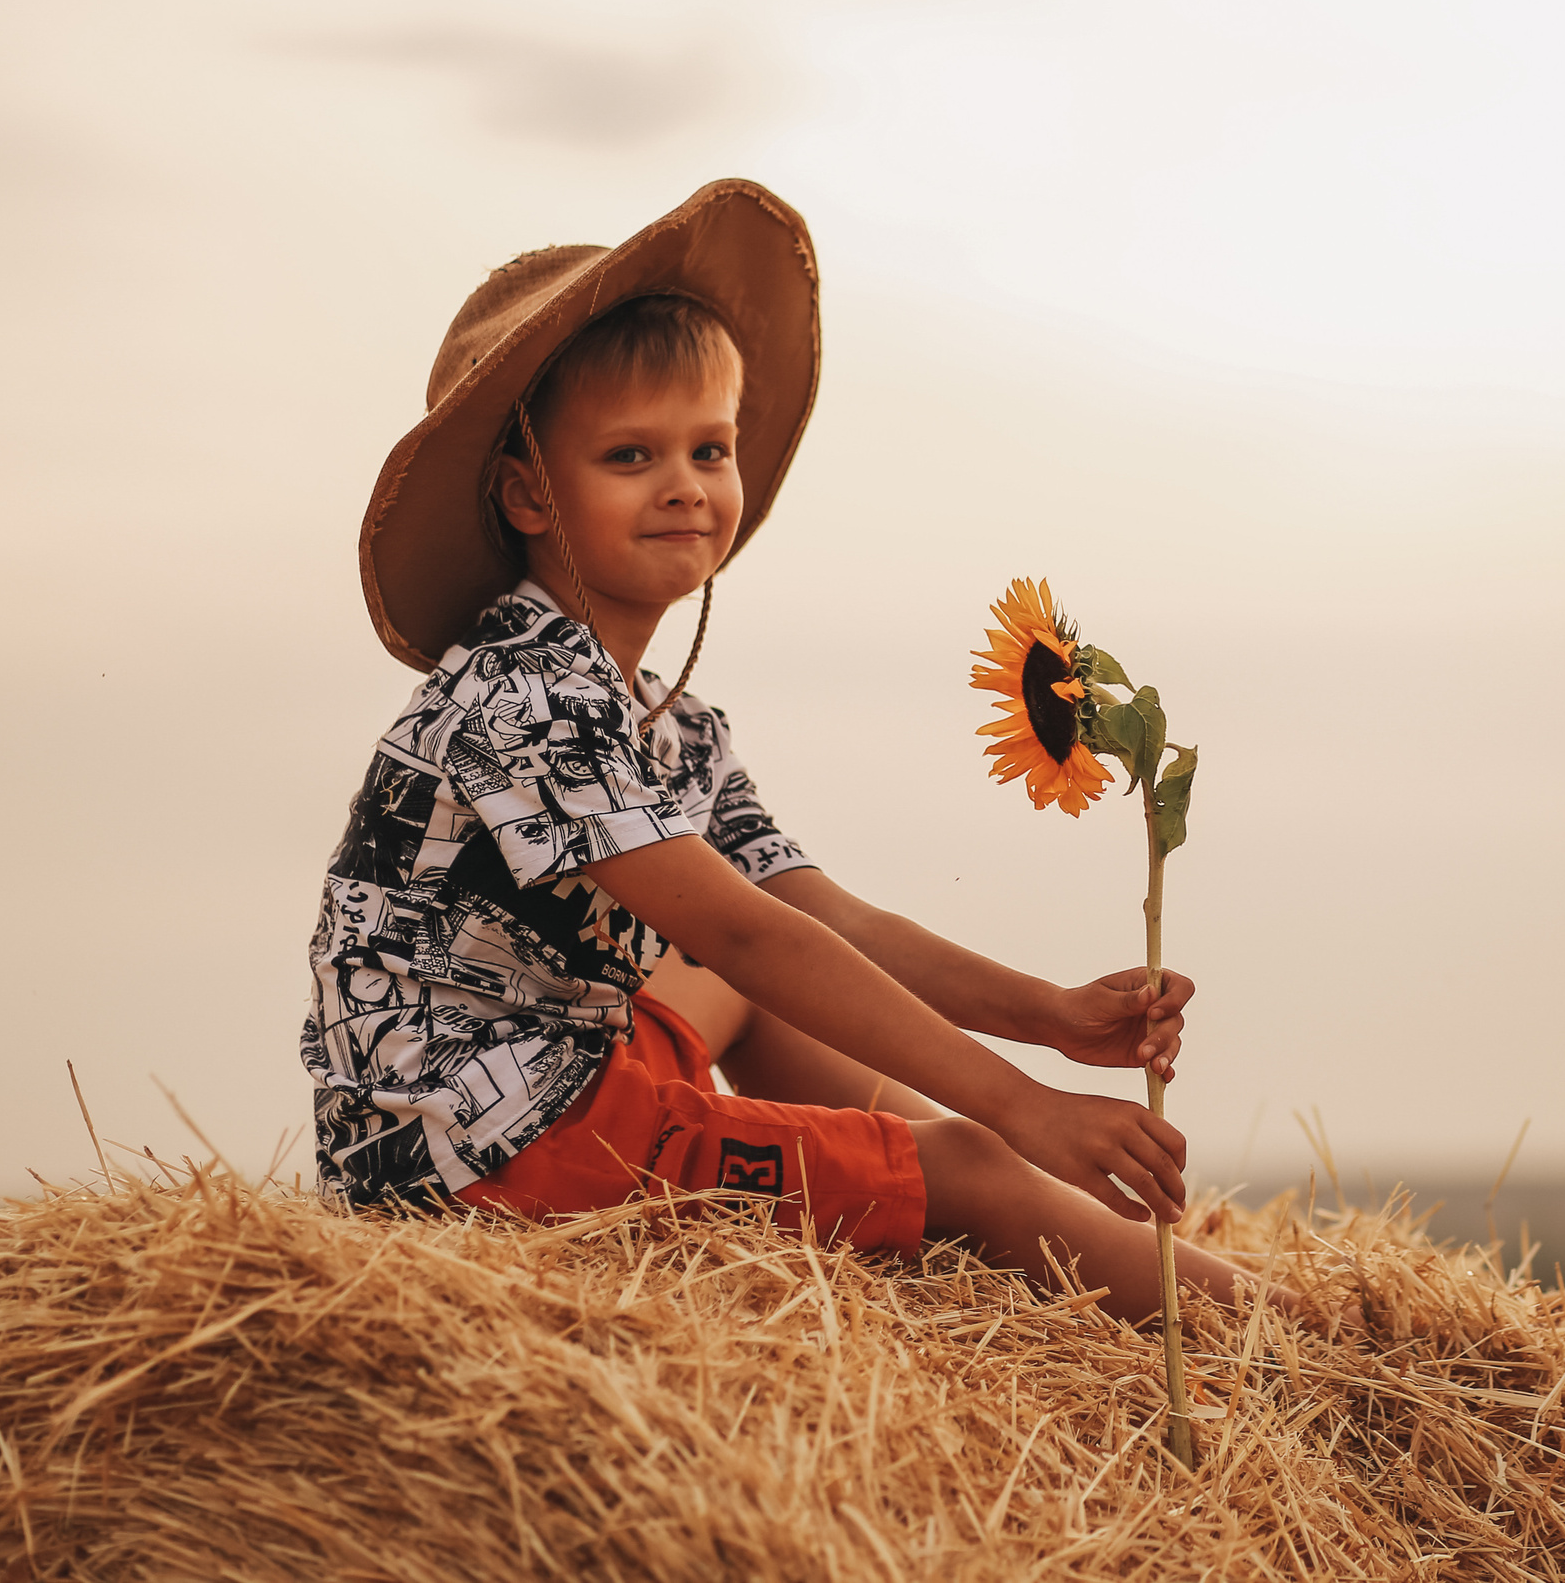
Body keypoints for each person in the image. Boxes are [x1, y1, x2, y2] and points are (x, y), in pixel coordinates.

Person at [305, 179, 1289, 1326]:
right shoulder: (524, 688)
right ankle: (1318, 1345)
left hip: (568, 1076)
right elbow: (738, 928)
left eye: (710, 449)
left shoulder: (668, 719)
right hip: (486, 1155)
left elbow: (826, 918)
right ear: (528, 491)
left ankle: (898, 1181)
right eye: (630, 456)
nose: (685, 484)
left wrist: (1049, 1014)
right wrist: (1022, 1108)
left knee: (760, 1000)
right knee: (969, 1161)